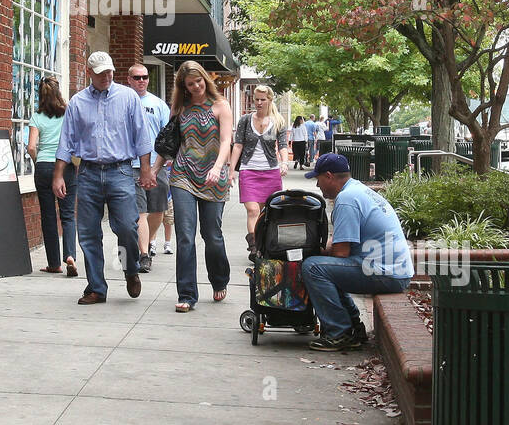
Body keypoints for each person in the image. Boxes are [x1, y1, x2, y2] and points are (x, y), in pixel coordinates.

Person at [54, 51, 155, 305]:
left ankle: (131, 269)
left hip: (120, 171)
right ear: (89, 73)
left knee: (126, 227)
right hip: (87, 172)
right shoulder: (77, 103)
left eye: (110, 71)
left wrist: (145, 170)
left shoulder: (128, 97)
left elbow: (142, 136)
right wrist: (58, 176)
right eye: (101, 73)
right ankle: (96, 288)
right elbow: (66, 141)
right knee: (88, 232)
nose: (107, 77)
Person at [300, 153, 415, 352]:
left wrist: (310, 253)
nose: (317, 185)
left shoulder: (346, 200)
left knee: (312, 268)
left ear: (328, 176)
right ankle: (352, 326)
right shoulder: (357, 190)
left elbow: (341, 254)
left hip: (387, 273)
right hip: (393, 269)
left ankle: (339, 332)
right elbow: (342, 249)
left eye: (318, 179)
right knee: (326, 267)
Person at [156, 60, 234, 312]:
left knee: (212, 236)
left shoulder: (221, 105)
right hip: (183, 176)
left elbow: (225, 142)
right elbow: (171, 143)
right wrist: (155, 168)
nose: (196, 86)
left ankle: (219, 279)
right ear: (184, 86)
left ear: (205, 79)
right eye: (190, 84)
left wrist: (217, 167)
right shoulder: (180, 108)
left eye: (199, 81)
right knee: (186, 236)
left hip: (214, 178)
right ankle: (187, 293)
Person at [229, 85, 286, 263]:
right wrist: (232, 170)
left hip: (270, 172)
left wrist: (284, 163)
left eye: (263, 99)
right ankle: (254, 248)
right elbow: (238, 145)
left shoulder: (278, 121)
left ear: (270, 100)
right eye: (256, 99)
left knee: (267, 211)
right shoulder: (245, 120)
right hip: (249, 170)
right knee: (253, 210)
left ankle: (264, 245)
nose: (259, 103)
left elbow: (283, 145)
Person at [28, 76, 77, 277]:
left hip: (44, 168)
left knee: (48, 215)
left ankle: (54, 263)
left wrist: (38, 161)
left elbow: (31, 147)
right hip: (65, 166)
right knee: (67, 214)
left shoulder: (37, 117)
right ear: (59, 93)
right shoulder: (68, 114)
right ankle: (70, 256)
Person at [127, 64, 169, 273]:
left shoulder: (158, 104)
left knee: (158, 210)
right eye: (137, 77)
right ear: (129, 79)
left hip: (157, 165)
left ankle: (149, 238)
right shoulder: (123, 101)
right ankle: (143, 254)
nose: (141, 80)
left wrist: (163, 162)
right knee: (140, 212)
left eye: (144, 77)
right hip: (132, 165)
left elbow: (167, 135)